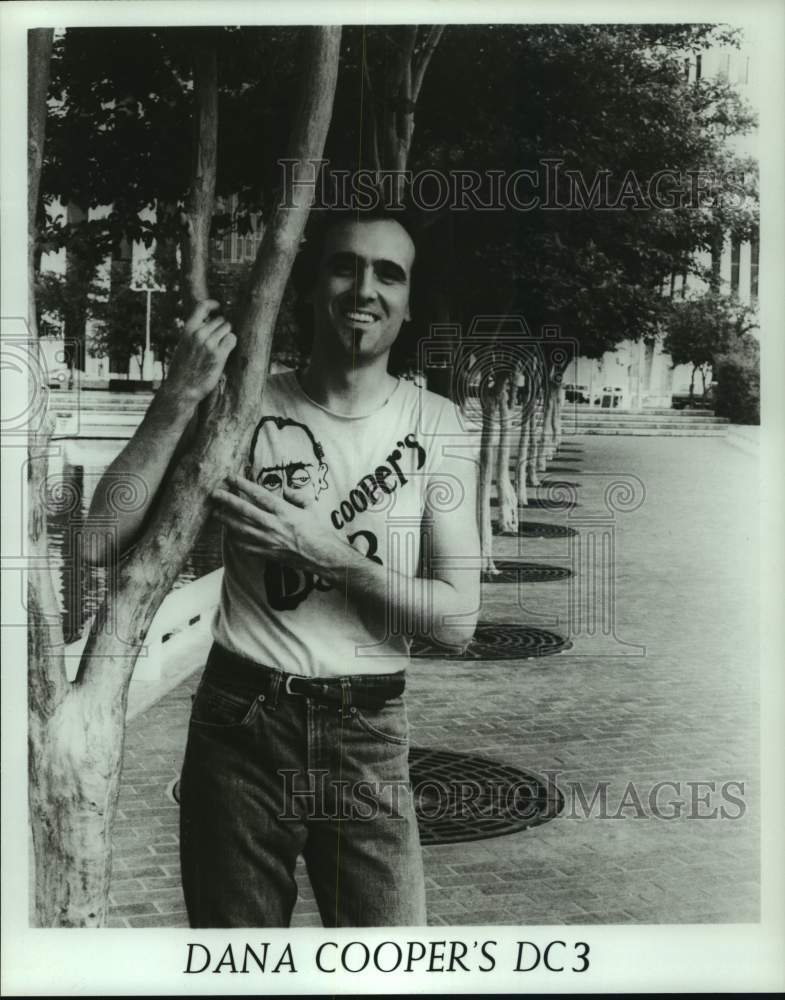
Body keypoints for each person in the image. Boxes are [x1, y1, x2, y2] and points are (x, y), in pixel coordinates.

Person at [87, 207, 481, 928]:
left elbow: (458, 621)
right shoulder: (245, 408)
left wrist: (324, 552)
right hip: (241, 722)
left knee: (389, 968)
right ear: (307, 286)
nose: (364, 289)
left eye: (388, 274)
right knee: (239, 966)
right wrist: (178, 398)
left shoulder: (438, 424)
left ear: (409, 303)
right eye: (343, 266)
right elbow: (96, 541)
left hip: (367, 729)